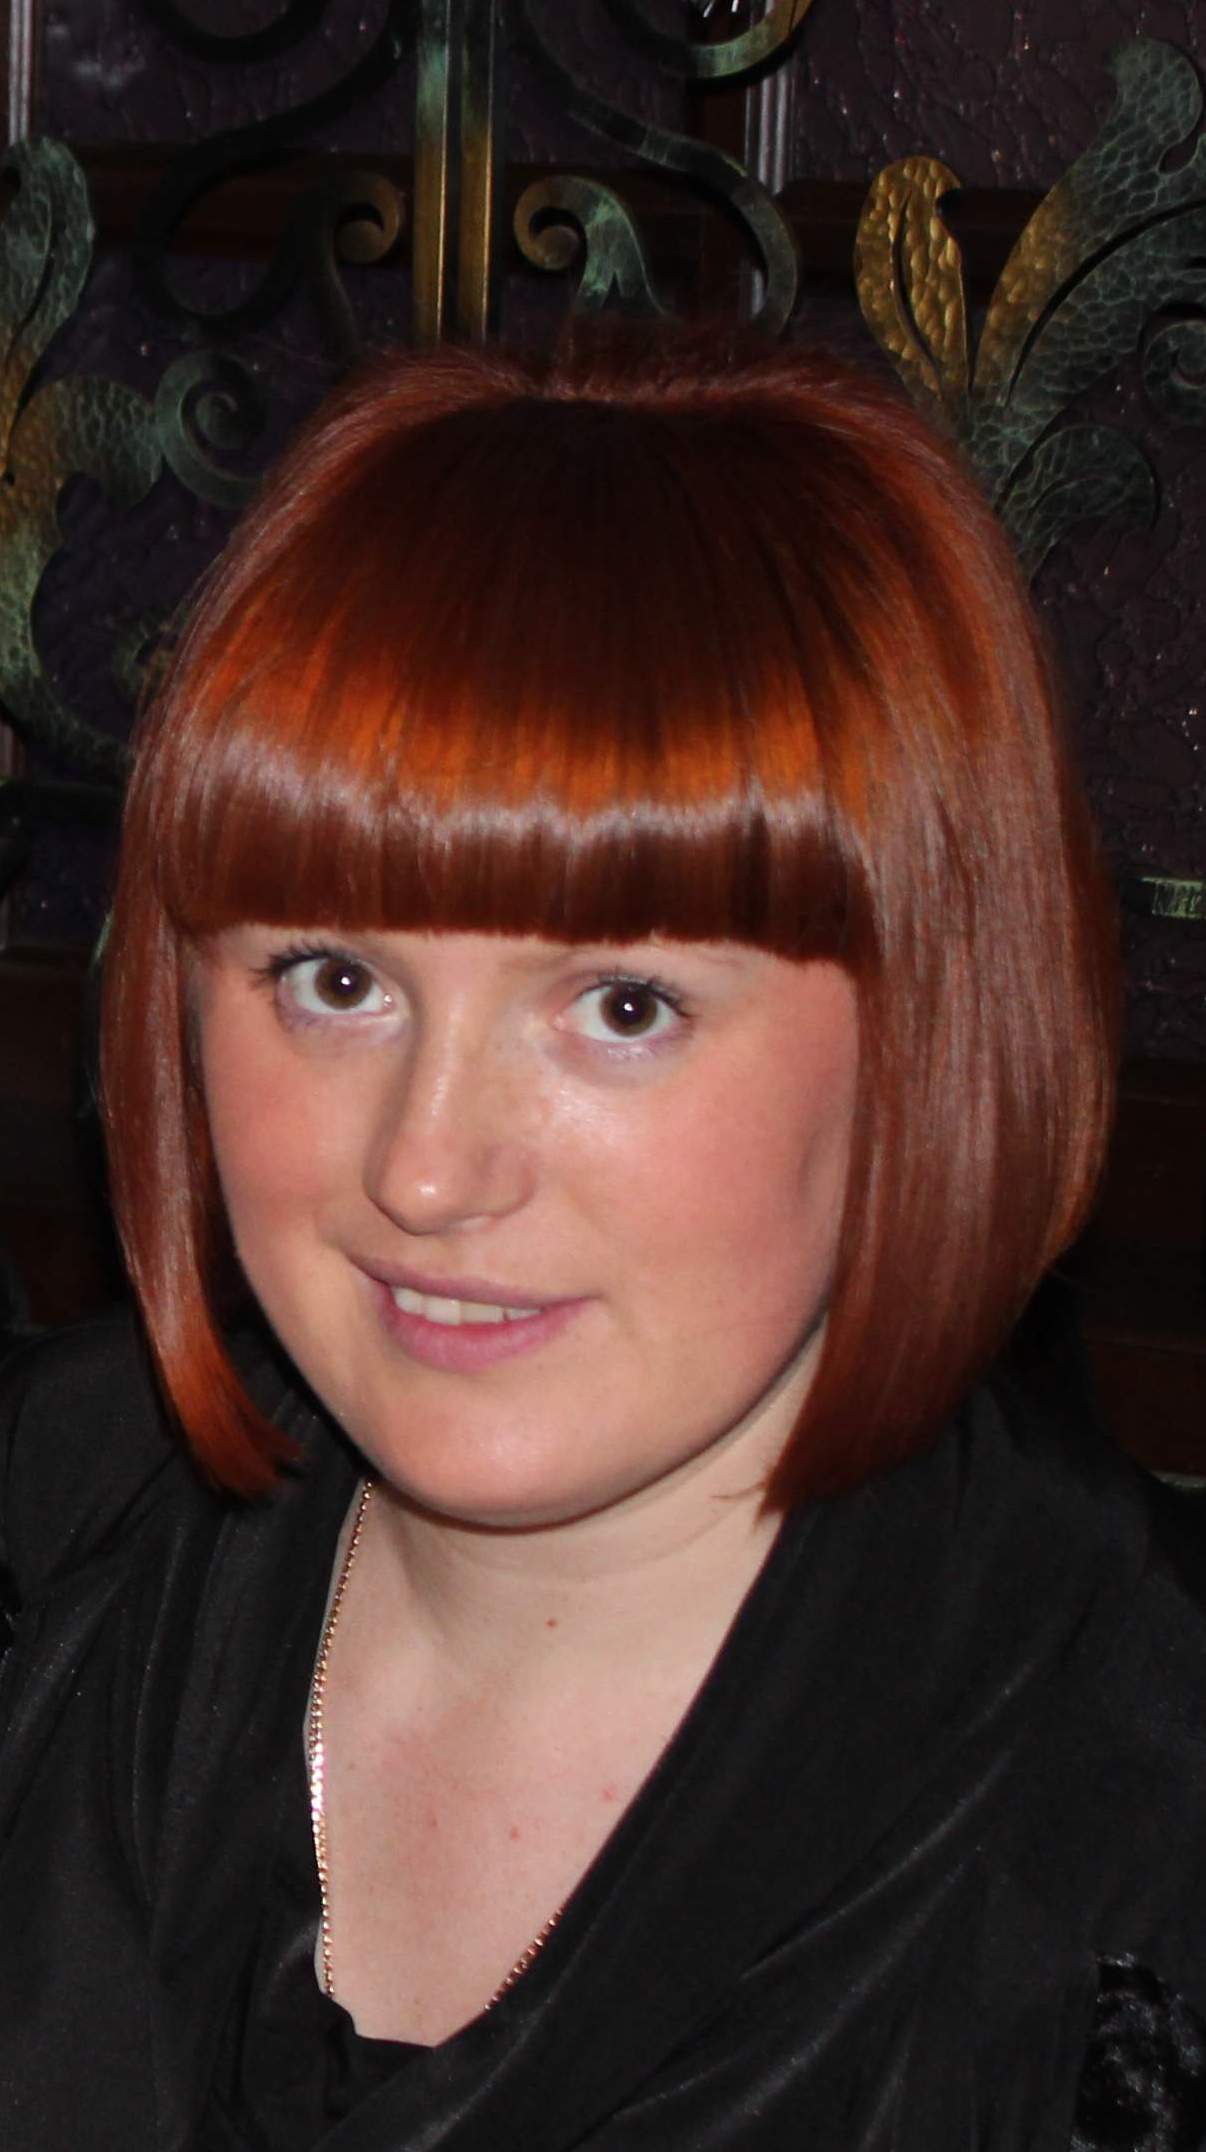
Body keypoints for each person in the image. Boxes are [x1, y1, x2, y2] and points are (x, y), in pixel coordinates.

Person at [0, 331, 1203, 2152]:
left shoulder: (1134, 1829)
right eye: (333, 980)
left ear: (935, 1041)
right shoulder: (41, 1556)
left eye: (623, 1008)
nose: (427, 1169)